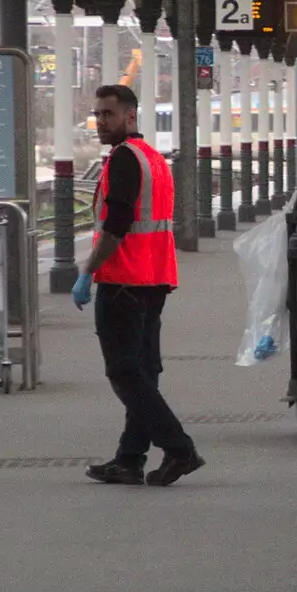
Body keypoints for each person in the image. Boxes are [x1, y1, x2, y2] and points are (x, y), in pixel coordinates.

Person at [74, 84, 205, 487]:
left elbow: (116, 227)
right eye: (97, 114)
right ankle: (129, 459)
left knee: (124, 371)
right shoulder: (154, 159)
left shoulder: (125, 160)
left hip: (123, 279)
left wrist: (86, 272)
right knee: (143, 370)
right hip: (155, 278)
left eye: (108, 114)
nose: (100, 122)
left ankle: (180, 449)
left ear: (130, 116)